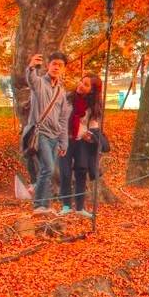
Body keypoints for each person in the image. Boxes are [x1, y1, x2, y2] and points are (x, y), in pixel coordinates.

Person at [24, 52, 72, 215]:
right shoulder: (39, 83)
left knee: (47, 170)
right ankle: (39, 205)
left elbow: (64, 118)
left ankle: (45, 205)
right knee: (49, 168)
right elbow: (31, 79)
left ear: (64, 69)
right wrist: (31, 67)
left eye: (60, 65)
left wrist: (64, 142)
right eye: (54, 63)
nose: (56, 67)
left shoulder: (61, 92)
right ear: (48, 65)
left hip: (55, 136)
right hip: (41, 133)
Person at [58, 75, 103, 217]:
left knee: (81, 172)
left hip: (82, 143)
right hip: (65, 139)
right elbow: (59, 118)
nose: (81, 85)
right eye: (81, 82)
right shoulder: (68, 98)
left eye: (86, 84)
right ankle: (66, 206)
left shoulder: (93, 106)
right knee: (65, 172)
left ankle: (79, 207)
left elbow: (94, 125)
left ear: (92, 90)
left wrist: (88, 135)